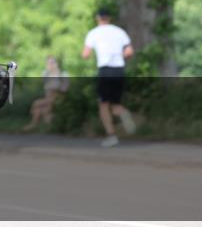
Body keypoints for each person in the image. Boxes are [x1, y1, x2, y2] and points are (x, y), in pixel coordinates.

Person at [82, 9, 136, 147]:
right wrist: (119, 56)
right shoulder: (119, 31)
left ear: (98, 18)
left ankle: (111, 135)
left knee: (103, 105)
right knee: (115, 104)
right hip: (119, 69)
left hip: (105, 70)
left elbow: (85, 54)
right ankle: (124, 113)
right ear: (109, 18)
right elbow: (129, 52)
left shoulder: (93, 33)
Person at [23, 56, 69, 132]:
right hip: (48, 100)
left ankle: (35, 124)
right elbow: (46, 86)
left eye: (52, 63)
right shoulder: (46, 74)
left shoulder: (63, 74)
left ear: (56, 63)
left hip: (58, 100)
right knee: (38, 109)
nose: (50, 65)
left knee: (36, 104)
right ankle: (37, 124)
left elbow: (64, 89)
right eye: (48, 63)